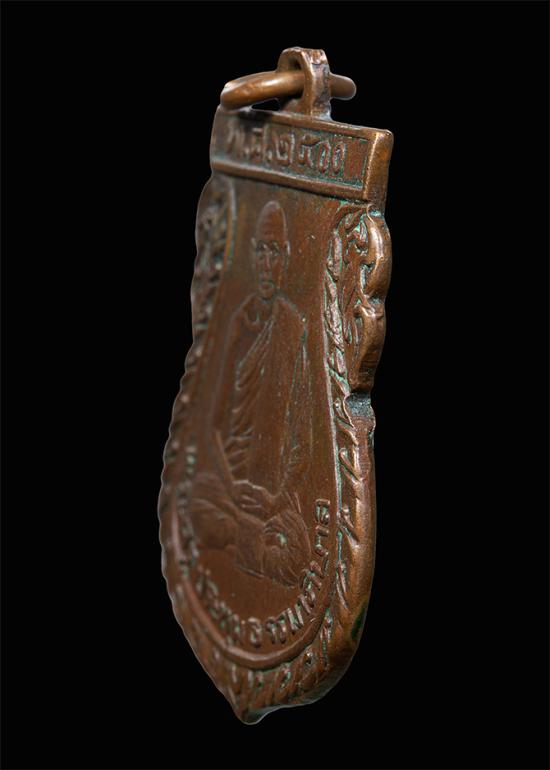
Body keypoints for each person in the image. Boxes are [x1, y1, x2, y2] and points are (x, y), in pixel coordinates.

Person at [190, 201, 312, 587]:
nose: (266, 263)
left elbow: (302, 443)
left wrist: (274, 498)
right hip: (230, 487)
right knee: (195, 502)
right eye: (260, 251)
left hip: (270, 498)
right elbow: (212, 426)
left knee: (297, 557)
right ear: (251, 254)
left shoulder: (293, 329)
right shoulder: (240, 322)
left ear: (286, 257)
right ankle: (242, 533)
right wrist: (232, 487)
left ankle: (240, 533)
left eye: (274, 252)